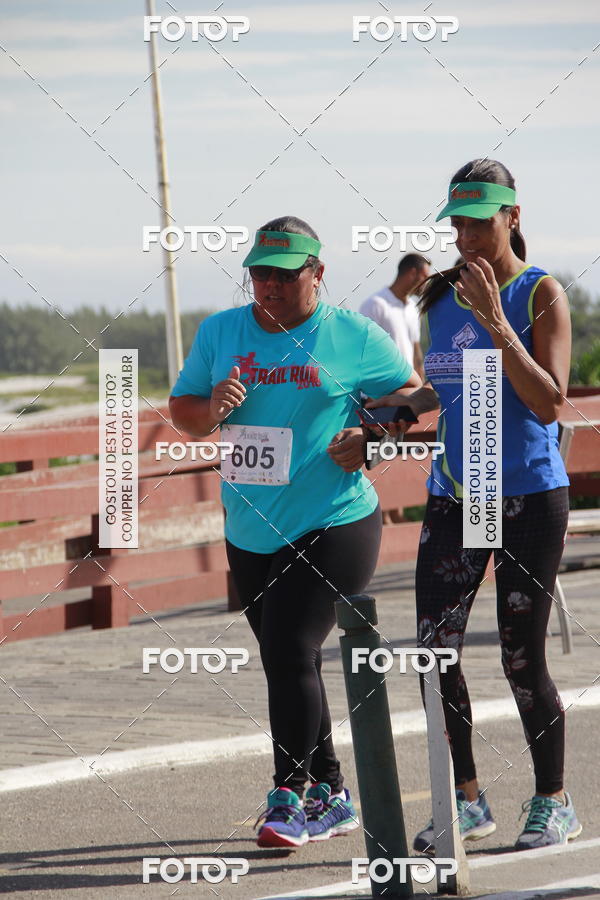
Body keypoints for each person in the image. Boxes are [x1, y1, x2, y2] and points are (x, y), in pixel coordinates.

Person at [343, 159, 582, 852]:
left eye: (481, 220)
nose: (467, 234)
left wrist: (496, 325)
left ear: (513, 217)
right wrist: (387, 415)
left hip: (529, 499)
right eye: (458, 222)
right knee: (433, 653)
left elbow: (549, 402)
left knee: (519, 659)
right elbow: (438, 390)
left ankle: (553, 799)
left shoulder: (541, 295)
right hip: (457, 495)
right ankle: (468, 800)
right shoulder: (438, 298)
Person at [169, 216, 421, 848]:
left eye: (285, 274)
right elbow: (184, 413)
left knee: (287, 651)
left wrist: (372, 439)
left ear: (318, 272)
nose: (270, 287)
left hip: (334, 521)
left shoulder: (351, 336)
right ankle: (334, 792)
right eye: (260, 274)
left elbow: (420, 397)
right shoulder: (221, 331)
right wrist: (212, 409)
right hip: (250, 529)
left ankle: (291, 794)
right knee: (291, 661)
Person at [359, 252, 431, 382]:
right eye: (425, 277)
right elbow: (362, 352)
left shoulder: (413, 308)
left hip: (408, 393)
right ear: (412, 273)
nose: (427, 283)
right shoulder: (375, 305)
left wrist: (419, 389)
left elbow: (415, 350)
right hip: (380, 394)